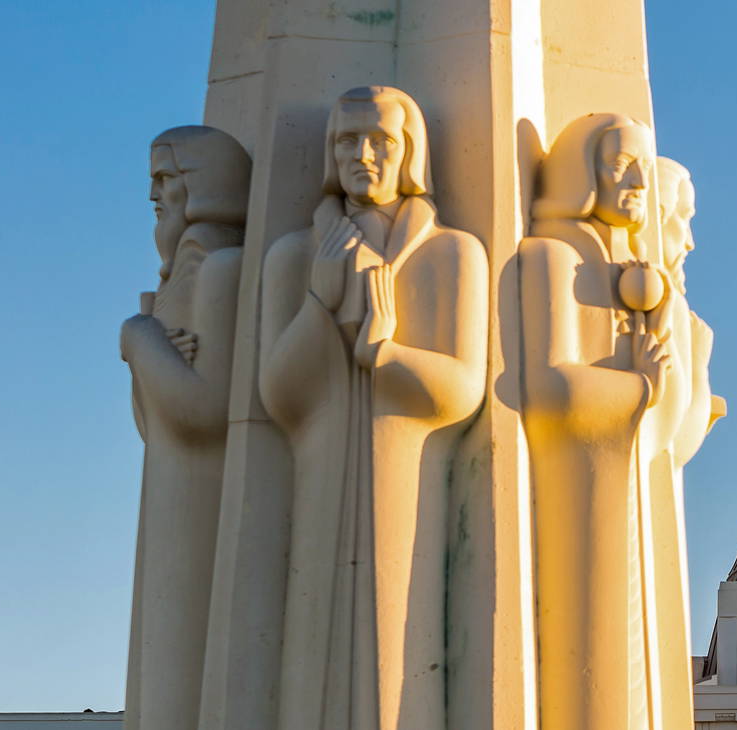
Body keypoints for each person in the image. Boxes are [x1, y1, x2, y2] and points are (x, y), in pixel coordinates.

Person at [256, 86, 488, 730]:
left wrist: (384, 354)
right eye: (345, 140)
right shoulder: (293, 257)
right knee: (311, 637)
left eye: (381, 140)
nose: (362, 154)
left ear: (409, 152)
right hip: (319, 476)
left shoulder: (451, 253)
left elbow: (464, 387)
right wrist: (319, 305)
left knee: (403, 635)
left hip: (409, 477)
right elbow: (277, 392)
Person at [519, 113, 692, 730]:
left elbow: (670, 416)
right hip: (573, 480)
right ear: (580, 174)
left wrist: (665, 343)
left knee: (633, 633)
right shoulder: (550, 258)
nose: (639, 182)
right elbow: (549, 383)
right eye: (621, 165)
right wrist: (640, 383)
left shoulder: (640, 277)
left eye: (645, 166)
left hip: (628, 476)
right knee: (587, 632)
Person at [120, 124, 248, 730]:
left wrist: (139, 338)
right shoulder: (180, 283)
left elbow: (204, 411)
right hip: (170, 489)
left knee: (177, 669)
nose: (157, 200)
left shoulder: (220, 270)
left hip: (199, 496)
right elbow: (155, 420)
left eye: (166, 184)